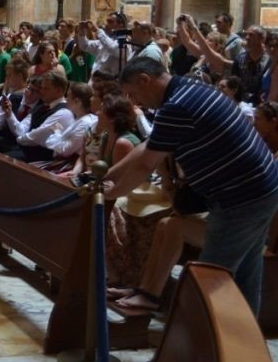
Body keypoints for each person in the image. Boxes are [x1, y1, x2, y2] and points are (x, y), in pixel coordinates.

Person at [105, 55, 278, 315]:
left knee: (209, 281)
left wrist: (110, 194)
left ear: (145, 80)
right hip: (259, 190)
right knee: (244, 277)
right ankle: (241, 347)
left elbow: (145, 165)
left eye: (133, 93)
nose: (135, 102)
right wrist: (109, 175)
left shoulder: (177, 106)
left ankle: (198, 351)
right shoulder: (191, 89)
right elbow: (148, 147)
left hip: (240, 197)